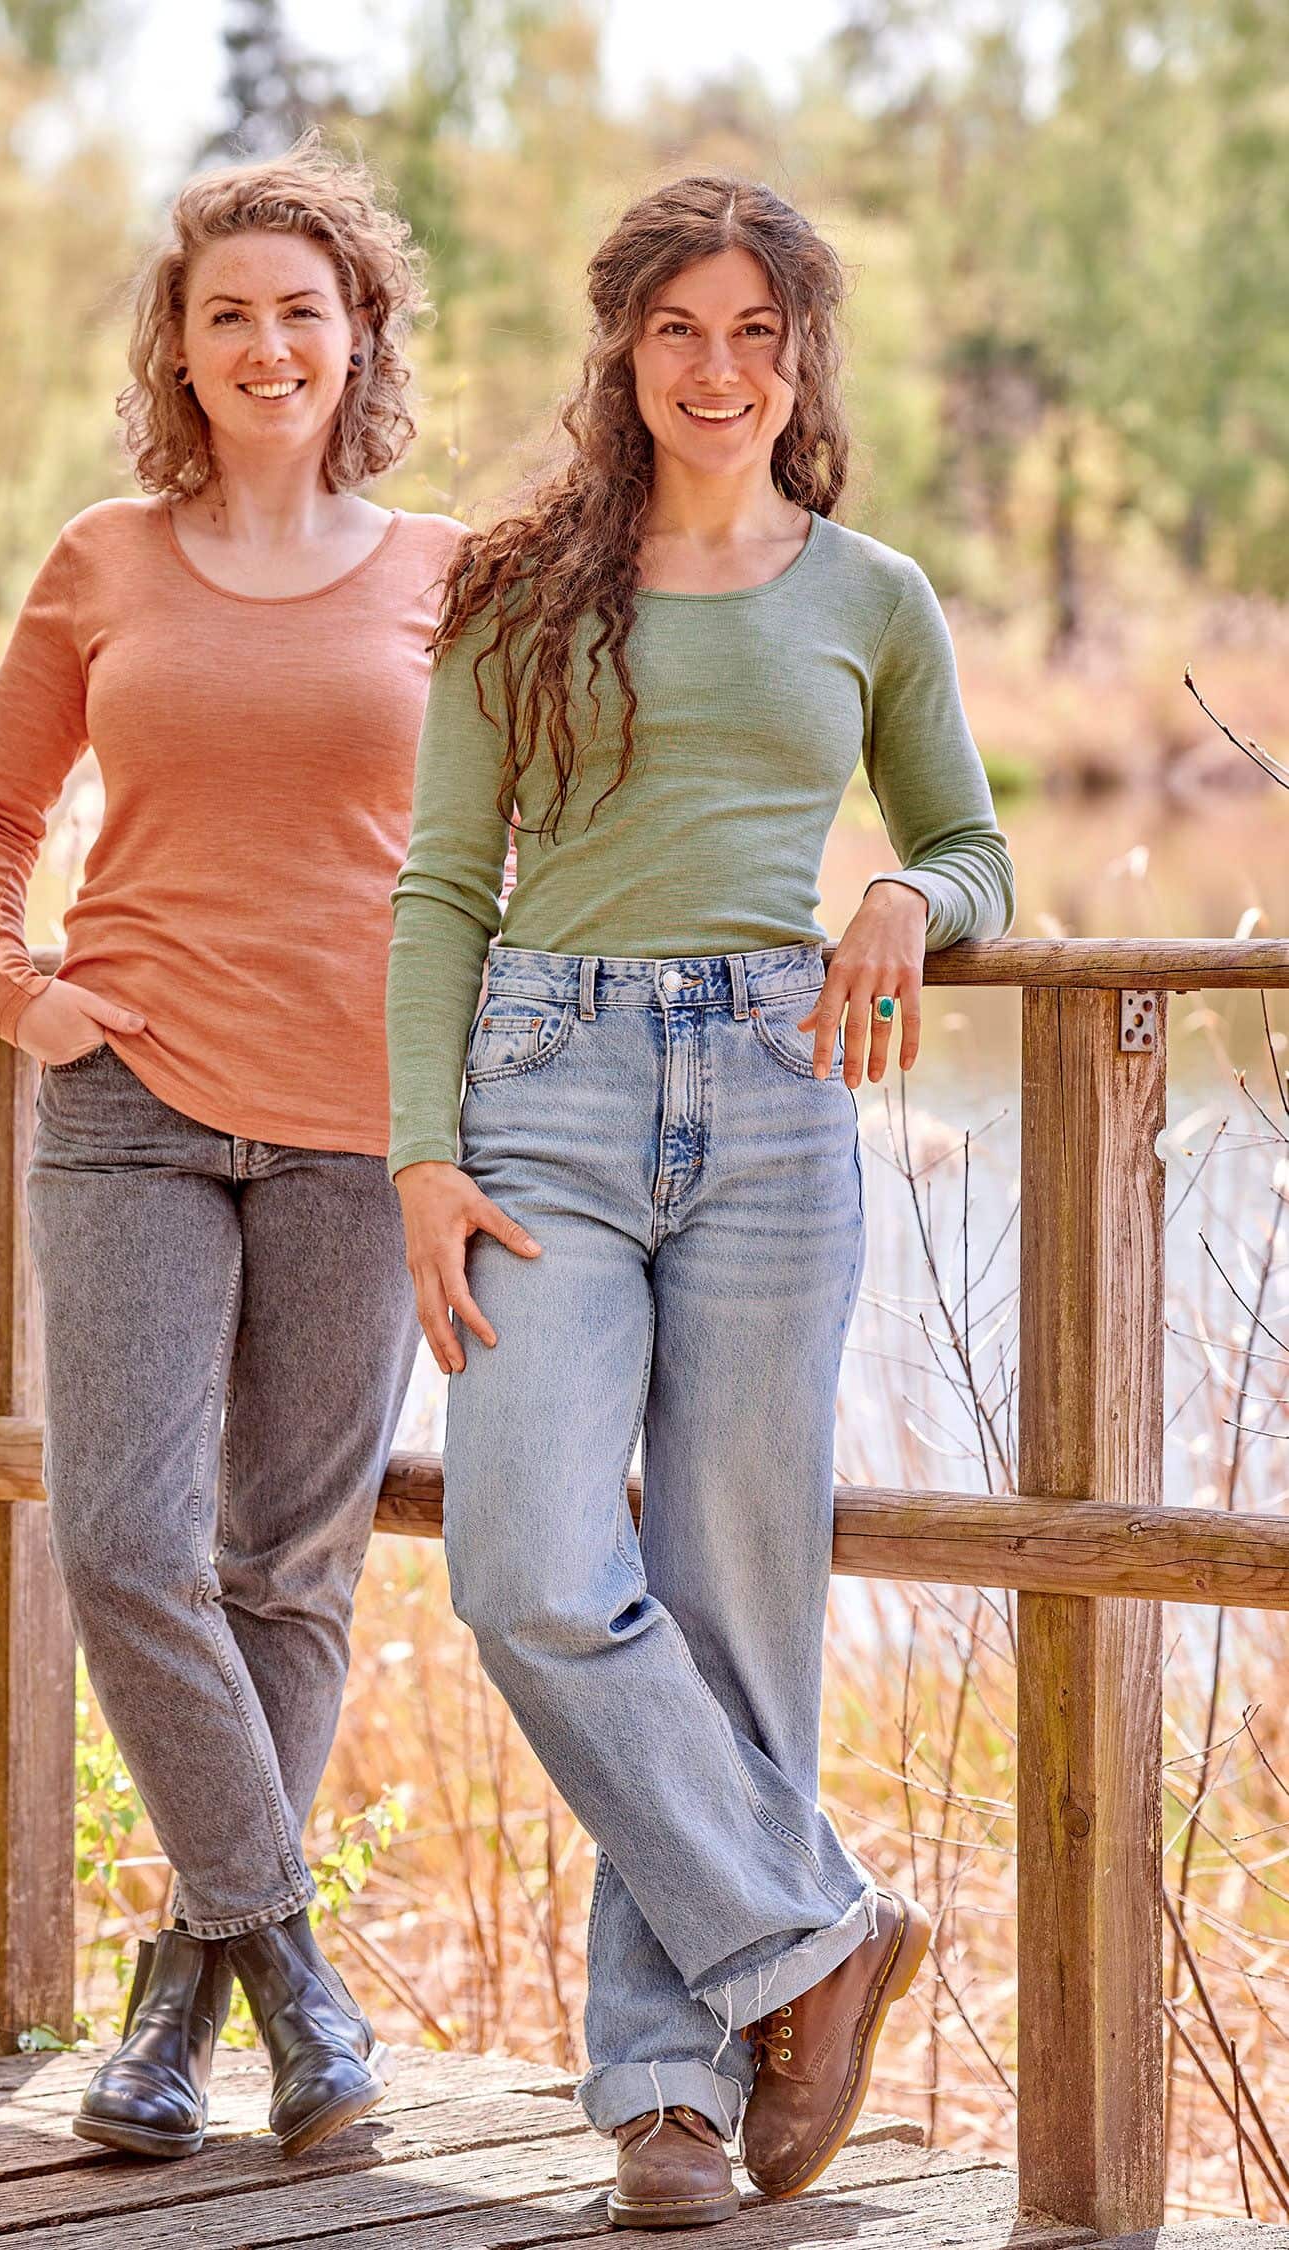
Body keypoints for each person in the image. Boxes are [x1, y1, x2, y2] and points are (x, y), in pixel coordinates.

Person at [386, 173, 1016, 2228]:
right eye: (680, 328)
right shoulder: (512, 587)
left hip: (776, 1098)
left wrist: (906, 895)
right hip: (545, 1098)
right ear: (624, 349)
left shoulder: (876, 597)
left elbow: (975, 847)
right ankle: (814, 1937)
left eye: (757, 330)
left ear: (803, 355)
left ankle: (668, 2091)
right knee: (526, 1570)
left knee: (738, 1604)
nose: (718, 367)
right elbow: (441, 886)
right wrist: (419, 1151)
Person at [0, 140, 462, 2161]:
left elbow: (516, 841)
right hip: (131, 1104)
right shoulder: (105, 558)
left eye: (301, 311)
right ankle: (300, 1979)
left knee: (291, 1570)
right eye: (226, 311)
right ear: (178, 341)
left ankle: (180, 2002)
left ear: (360, 337)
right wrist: (16, 988)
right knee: (124, 1544)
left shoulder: (450, 575)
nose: (266, 344)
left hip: (360, 1122)